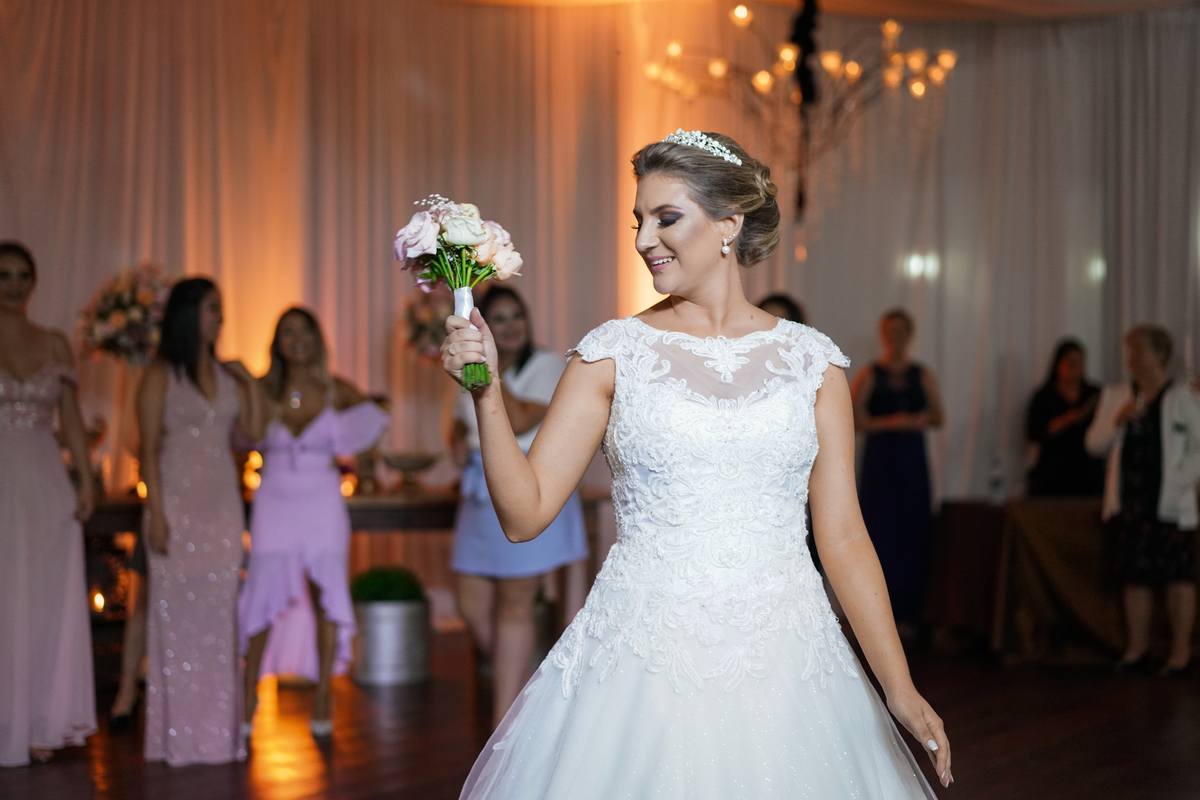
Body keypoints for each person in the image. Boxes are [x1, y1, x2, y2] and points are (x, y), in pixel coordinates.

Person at [442, 131, 951, 797]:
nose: (644, 239)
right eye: (638, 221)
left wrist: (899, 684)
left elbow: (845, 537)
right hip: (646, 668)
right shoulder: (611, 353)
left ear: (729, 225)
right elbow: (524, 513)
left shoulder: (813, 364)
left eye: (667, 218)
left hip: (790, 669)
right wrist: (486, 391)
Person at [239, 307, 388, 738]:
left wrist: (365, 464)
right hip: (273, 500)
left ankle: (324, 692)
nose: (297, 338)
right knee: (262, 592)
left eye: (304, 330)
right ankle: (249, 692)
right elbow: (238, 434)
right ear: (276, 342)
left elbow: (375, 417)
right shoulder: (261, 390)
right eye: (287, 331)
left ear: (317, 338)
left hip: (323, 500)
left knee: (327, 592)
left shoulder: (336, 390)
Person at [447, 285, 589, 728]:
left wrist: (489, 373)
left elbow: (526, 418)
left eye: (516, 317)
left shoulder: (546, 365)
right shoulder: (472, 366)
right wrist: (455, 440)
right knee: (469, 602)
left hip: (526, 481)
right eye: (500, 318)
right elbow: (458, 420)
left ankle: (502, 728)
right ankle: (532, 692)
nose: (510, 326)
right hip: (477, 489)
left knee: (515, 603)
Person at [136, 277, 264, 765]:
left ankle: (218, 737)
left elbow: (251, 435)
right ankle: (178, 739)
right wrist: (157, 515)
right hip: (178, 509)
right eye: (213, 308)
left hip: (223, 509)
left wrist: (249, 381)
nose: (221, 317)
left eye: (221, 308)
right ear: (190, 314)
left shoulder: (227, 374)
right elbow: (146, 449)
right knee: (176, 624)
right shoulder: (159, 375)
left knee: (219, 624)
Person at [0, 241, 97, 766]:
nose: (13, 284)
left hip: (43, 480)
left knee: (42, 601)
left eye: (22, 276)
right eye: (4, 275)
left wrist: (84, 479)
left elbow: (74, 421)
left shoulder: (55, 344)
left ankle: (41, 718)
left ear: (33, 283)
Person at [1086, 326, 1200, 676]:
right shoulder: (1117, 395)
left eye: (1140, 351)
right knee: (1135, 576)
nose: (1133, 359)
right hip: (1132, 500)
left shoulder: (1181, 396)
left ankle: (1180, 652)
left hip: (1171, 500)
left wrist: (1183, 479)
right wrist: (1118, 419)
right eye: (1130, 351)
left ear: (1159, 355)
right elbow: (1093, 445)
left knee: (1177, 576)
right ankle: (1137, 649)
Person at [850, 310, 944, 632]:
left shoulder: (922, 373)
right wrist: (889, 423)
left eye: (901, 330)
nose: (895, 336)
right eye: (890, 330)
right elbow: (852, 419)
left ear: (910, 333)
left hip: (911, 462)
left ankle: (909, 616)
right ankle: (875, 616)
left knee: (912, 531)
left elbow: (938, 416)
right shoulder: (870, 373)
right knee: (879, 532)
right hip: (881, 461)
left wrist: (918, 421)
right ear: (882, 333)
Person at [1025, 339, 1105, 497]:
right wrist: (1069, 419)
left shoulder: (1094, 394)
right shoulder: (1044, 397)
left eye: (1080, 363)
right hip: (1053, 475)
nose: (1076, 369)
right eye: (1071, 363)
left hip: (1088, 474)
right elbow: (1035, 432)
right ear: (1058, 364)